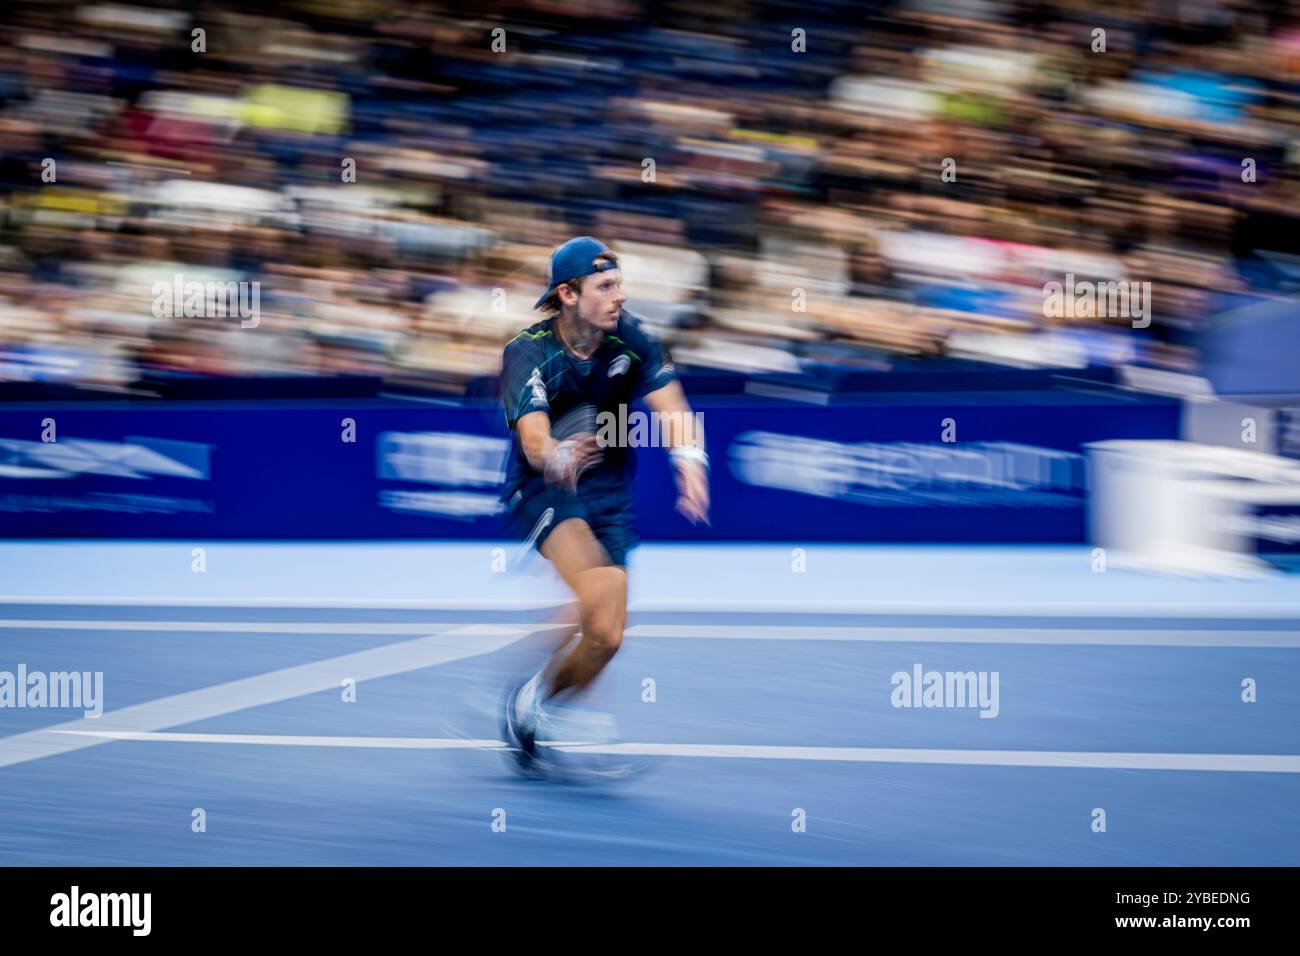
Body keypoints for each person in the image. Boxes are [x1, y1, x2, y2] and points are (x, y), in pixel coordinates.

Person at [498, 236, 709, 774]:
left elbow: (673, 408)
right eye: (606, 286)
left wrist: (689, 460)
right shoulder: (527, 350)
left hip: (609, 493)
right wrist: (557, 454)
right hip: (546, 488)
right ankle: (535, 706)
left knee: (607, 634)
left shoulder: (633, 337)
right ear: (568, 294)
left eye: (619, 284)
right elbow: (534, 438)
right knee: (594, 592)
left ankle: (533, 702)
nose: (620, 296)